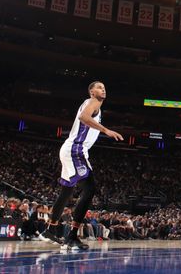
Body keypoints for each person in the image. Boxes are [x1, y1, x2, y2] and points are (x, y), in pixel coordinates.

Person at [42, 81, 124, 250]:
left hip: (72, 149)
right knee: (90, 188)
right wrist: (106, 130)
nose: (103, 89)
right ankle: (71, 237)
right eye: (99, 87)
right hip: (75, 149)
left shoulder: (95, 106)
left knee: (67, 191)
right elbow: (83, 118)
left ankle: (50, 229)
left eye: (104, 87)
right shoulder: (92, 101)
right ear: (91, 91)